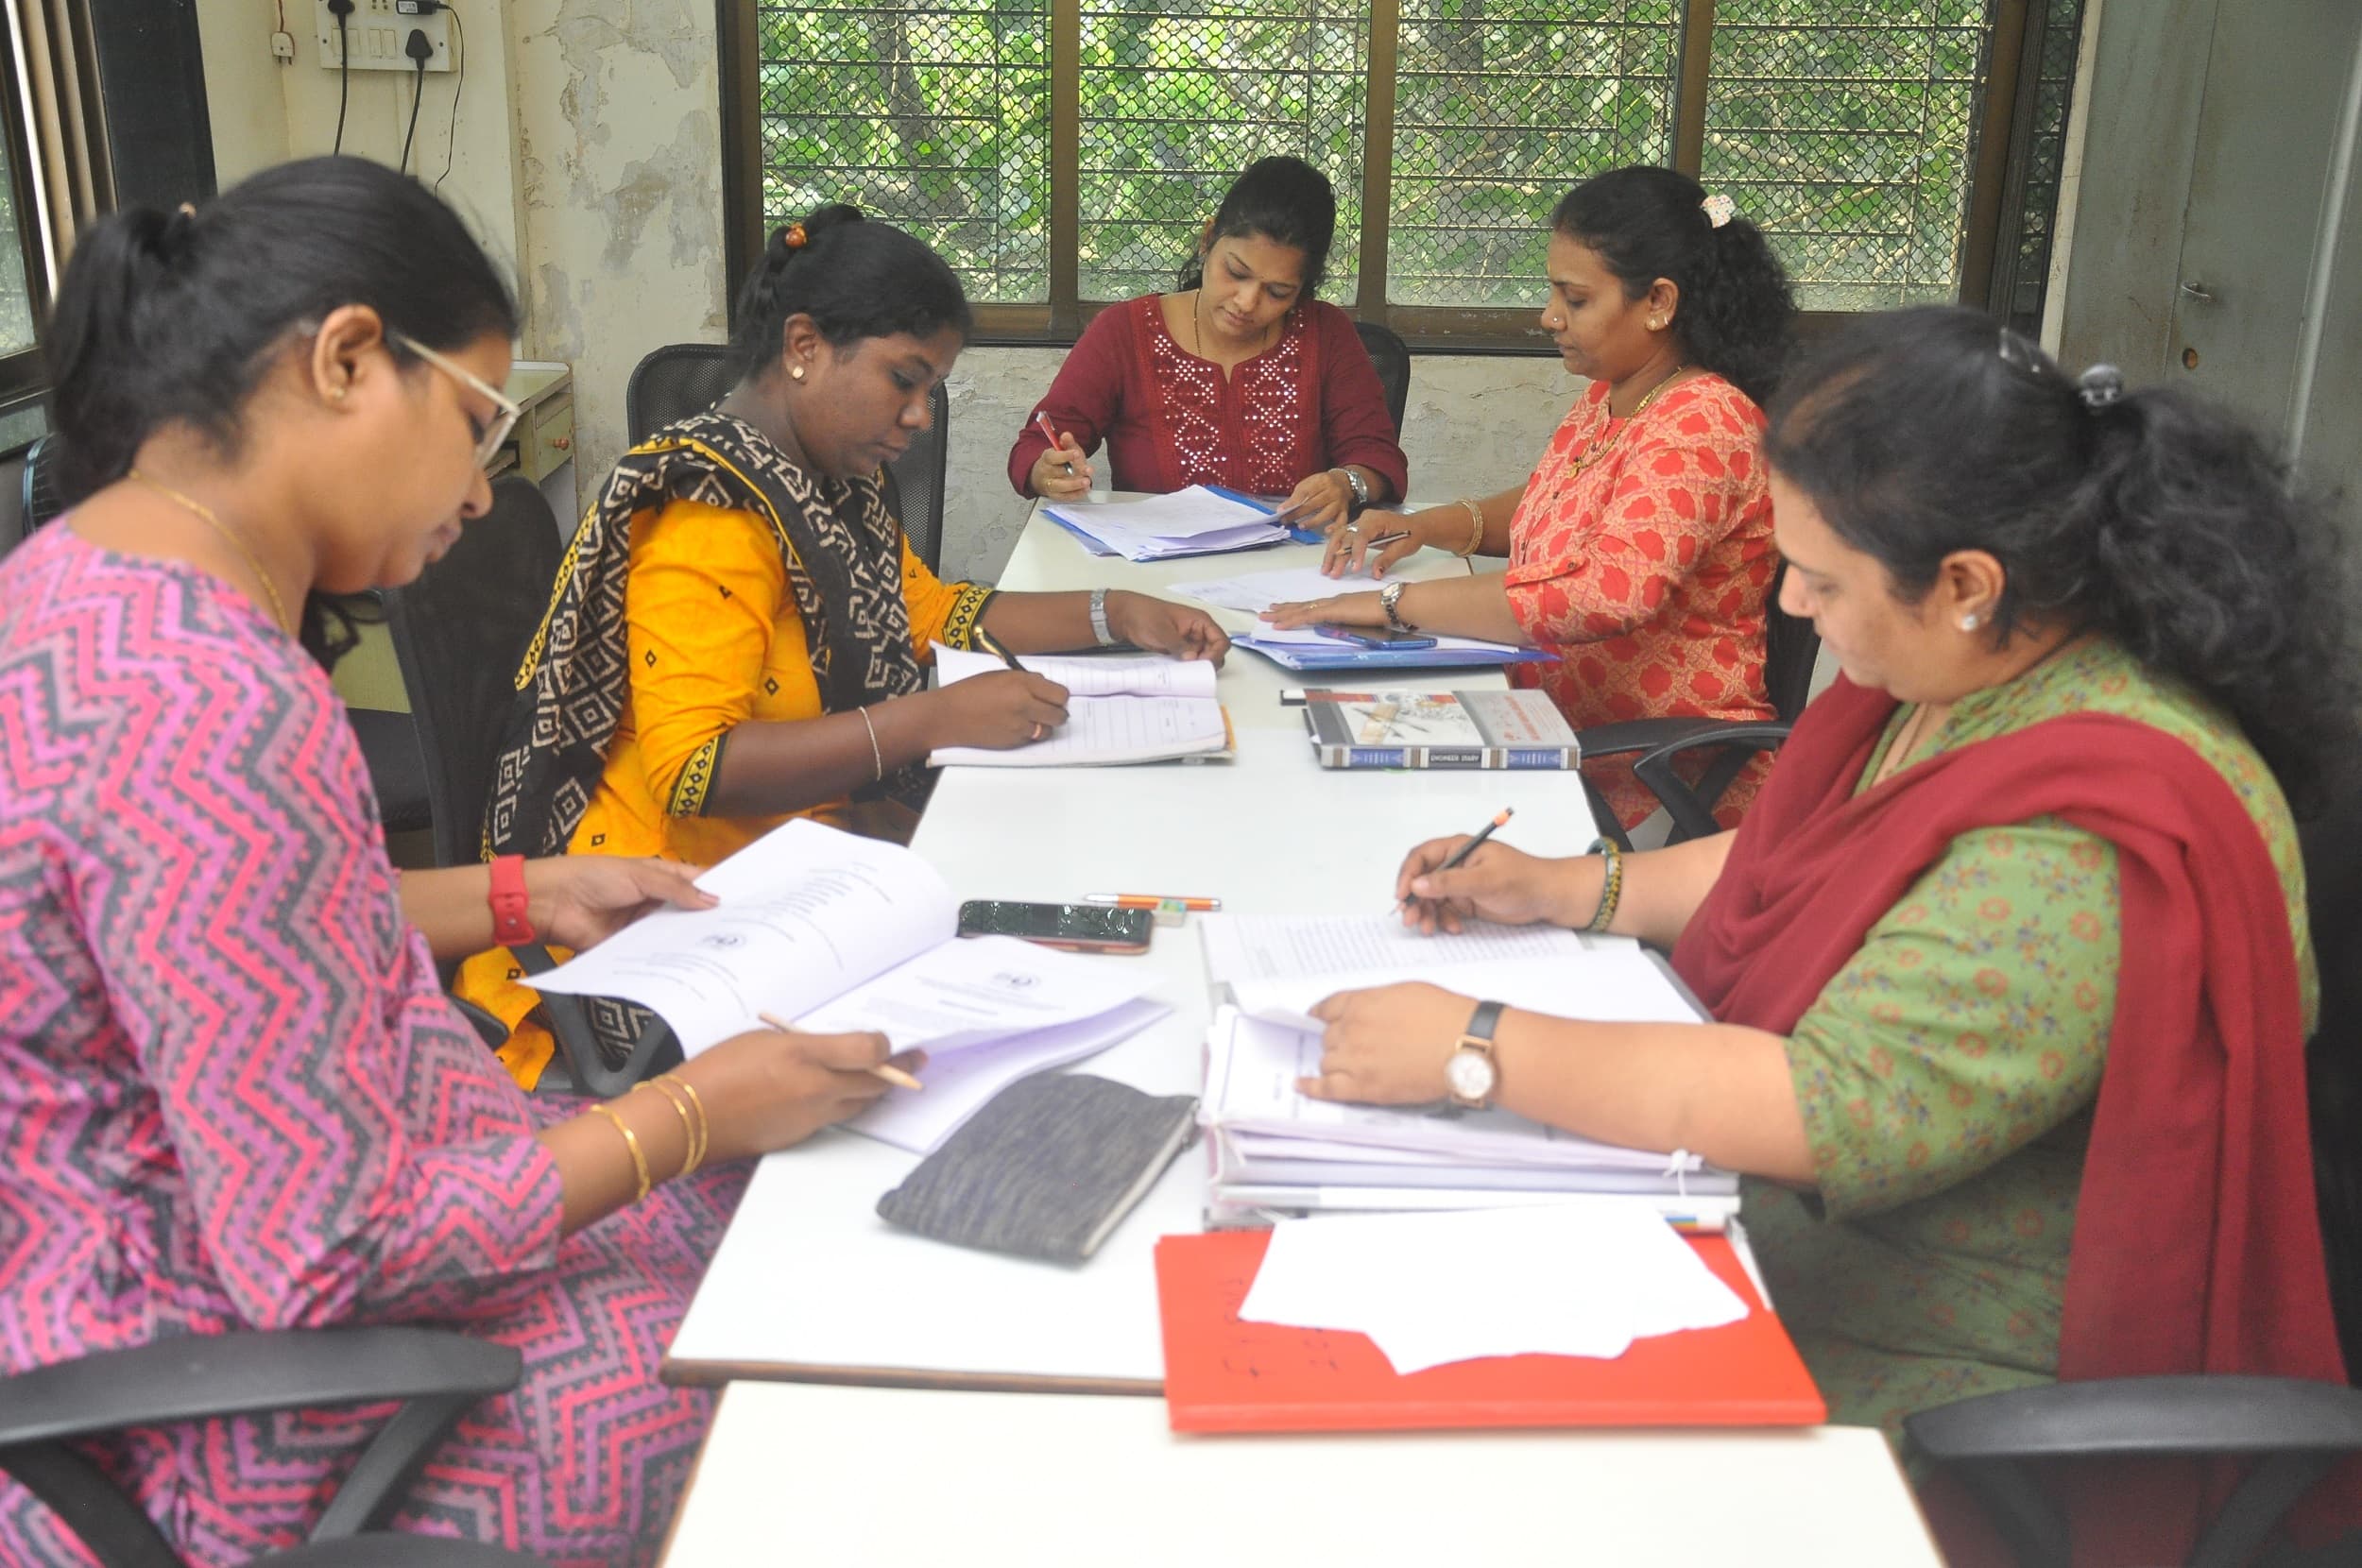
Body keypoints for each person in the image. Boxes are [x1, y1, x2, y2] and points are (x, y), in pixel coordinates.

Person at [1296, 307, 2360, 1562]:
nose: (1790, 601)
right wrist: (1573, 888)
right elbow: (1794, 857)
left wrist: (1475, 1045)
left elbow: (1827, 1102)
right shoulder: (1978, 675)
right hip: (1769, 1236)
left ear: (1967, 582)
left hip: (1940, 1362)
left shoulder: (2088, 837)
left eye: (1824, 579)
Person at [0, 157, 921, 1568]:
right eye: (479, 426)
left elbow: (204, 929)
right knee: (802, 1330)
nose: (487, 493)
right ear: (348, 360)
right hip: (213, 1424)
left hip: (112, 1304)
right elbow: (326, 1255)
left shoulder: (81, 585)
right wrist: (685, 1115)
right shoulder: (210, 699)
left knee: (778, 1188)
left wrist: (518, 891)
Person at [457, 205, 1230, 1087]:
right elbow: (695, 771)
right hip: (662, 911)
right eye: (904, 380)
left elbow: (938, 613)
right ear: (804, 345)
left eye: (929, 388)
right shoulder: (710, 509)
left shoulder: (833, 483)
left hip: (795, 858)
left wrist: (1117, 612)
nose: (919, 417)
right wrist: (932, 718)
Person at [1266, 165, 1796, 830]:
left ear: (1659, 301)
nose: (1550, 317)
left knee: (1360, 794)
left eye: (1574, 299)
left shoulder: (1702, 422)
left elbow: (1609, 592)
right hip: (1552, 716)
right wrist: (1430, 527)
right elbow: (1555, 501)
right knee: (1320, 734)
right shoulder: (1619, 393)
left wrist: (1391, 604)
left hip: (1648, 766)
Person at [1005, 155, 1409, 531]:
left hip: (1293, 571)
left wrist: (1347, 482)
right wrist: (1049, 470)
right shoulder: (1125, 332)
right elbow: (1037, 444)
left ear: (1304, 289)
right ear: (1208, 239)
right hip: (1156, 571)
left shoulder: (1326, 333)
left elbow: (1378, 457)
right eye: (1236, 272)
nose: (1247, 302)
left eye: (1278, 292)